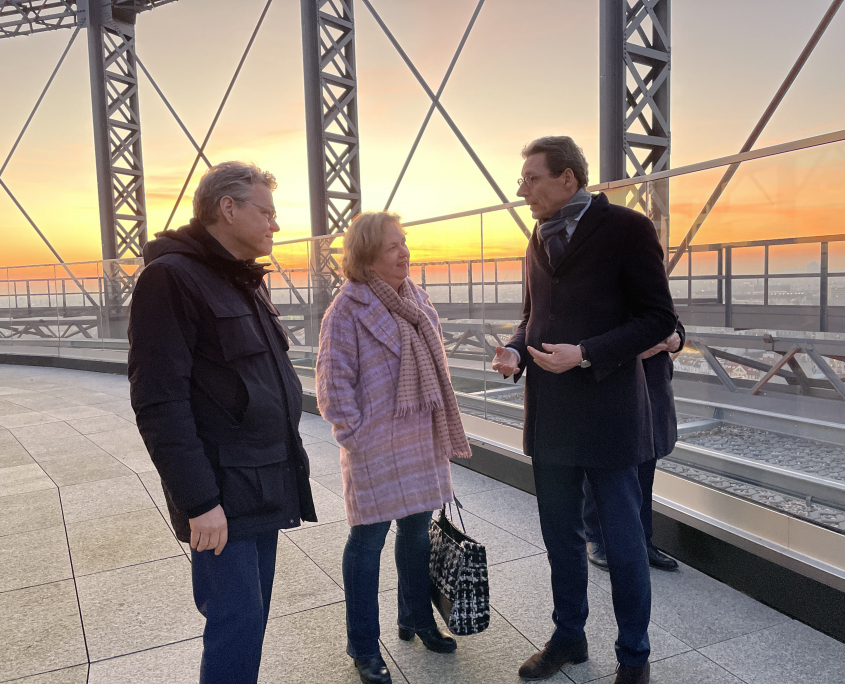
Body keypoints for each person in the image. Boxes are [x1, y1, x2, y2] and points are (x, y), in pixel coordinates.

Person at [492, 137, 676, 684]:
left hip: (610, 415)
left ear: (567, 178)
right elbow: (534, 316)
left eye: (531, 178)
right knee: (559, 537)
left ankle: (634, 659)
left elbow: (657, 319)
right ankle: (568, 637)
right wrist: (515, 349)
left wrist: (587, 353)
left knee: (622, 546)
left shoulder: (626, 229)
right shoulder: (538, 235)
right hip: (549, 415)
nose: (521, 189)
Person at [128, 161, 317, 684]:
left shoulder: (241, 278)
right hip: (220, 495)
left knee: (250, 624)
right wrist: (199, 503)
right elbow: (158, 402)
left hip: (263, 480)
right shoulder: (171, 279)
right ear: (227, 209)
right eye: (267, 212)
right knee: (235, 625)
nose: (276, 225)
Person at [315, 211, 472, 684]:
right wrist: (356, 437)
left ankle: (416, 618)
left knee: (416, 534)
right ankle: (363, 645)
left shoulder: (417, 300)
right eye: (392, 247)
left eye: (404, 244)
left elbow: (436, 369)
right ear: (366, 257)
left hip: (419, 438)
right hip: (376, 447)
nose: (404, 253)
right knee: (367, 542)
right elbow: (331, 384)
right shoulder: (345, 309)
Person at [584, 322, 686, 573]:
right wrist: (633, 351)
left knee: (645, 468)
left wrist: (676, 338)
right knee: (601, 467)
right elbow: (592, 340)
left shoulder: (652, 288)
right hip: (615, 389)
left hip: (653, 390)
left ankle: (642, 541)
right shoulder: (606, 288)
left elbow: (672, 322)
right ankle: (596, 538)